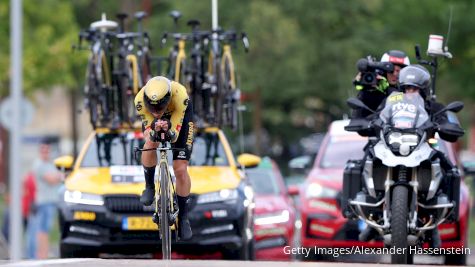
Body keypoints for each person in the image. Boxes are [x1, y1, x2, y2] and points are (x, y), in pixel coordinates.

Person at [134, 76, 194, 240]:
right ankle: (149, 187)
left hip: (178, 116)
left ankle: (183, 217)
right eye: (151, 107)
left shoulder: (180, 95)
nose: (155, 110)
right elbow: (147, 131)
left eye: (160, 106)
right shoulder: (139, 101)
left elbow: (174, 136)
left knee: (180, 168)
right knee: (150, 142)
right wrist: (154, 131)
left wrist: (169, 129)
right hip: (155, 124)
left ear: (168, 99)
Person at [29, 140, 63, 259]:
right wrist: (61, 176)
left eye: (47, 150)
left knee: (46, 230)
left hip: (52, 201)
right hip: (44, 202)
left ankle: (43, 254)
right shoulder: (38, 164)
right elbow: (52, 179)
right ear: (40, 151)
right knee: (42, 230)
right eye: (42, 150)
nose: (45, 152)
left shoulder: (50, 164)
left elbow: (57, 177)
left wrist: (58, 176)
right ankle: (41, 256)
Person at [352, 50, 410, 118]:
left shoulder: (409, 90)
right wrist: (368, 89)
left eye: (398, 71)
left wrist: (387, 89)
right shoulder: (374, 86)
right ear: (384, 71)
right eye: (390, 71)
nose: (395, 74)